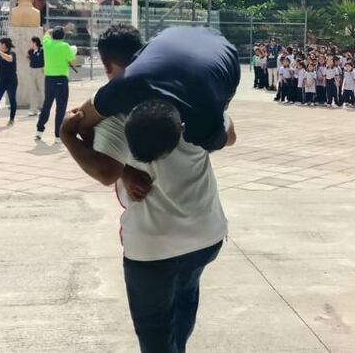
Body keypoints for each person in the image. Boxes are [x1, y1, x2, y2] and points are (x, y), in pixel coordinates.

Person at [60, 24, 234, 353]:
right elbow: (229, 134)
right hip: (206, 235)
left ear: (109, 65)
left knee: (155, 337)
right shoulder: (193, 98)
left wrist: (68, 137)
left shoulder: (115, 114)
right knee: (182, 312)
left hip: (154, 249)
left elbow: (104, 171)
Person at [88, 26, 240, 162]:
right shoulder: (121, 88)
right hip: (174, 34)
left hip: (222, 51)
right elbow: (82, 118)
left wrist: (220, 123)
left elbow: (230, 138)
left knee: (214, 125)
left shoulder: (204, 122)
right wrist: (126, 172)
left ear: (180, 133)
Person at [36, 26, 76, 140]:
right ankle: (58, 135)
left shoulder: (47, 44)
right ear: (63, 36)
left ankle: (39, 130)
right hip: (61, 79)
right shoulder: (65, 46)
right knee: (61, 107)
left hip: (49, 79)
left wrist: (54, 30)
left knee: (47, 104)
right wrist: (73, 52)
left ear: (53, 35)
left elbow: (47, 33)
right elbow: (72, 61)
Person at [25, 36, 45, 115]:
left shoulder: (42, 50)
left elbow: (46, 59)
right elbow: (27, 57)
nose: (30, 43)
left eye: (31, 42)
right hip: (32, 71)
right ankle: (33, 110)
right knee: (33, 91)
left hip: (40, 71)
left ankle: (43, 109)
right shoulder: (30, 51)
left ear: (35, 42)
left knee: (42, 90)